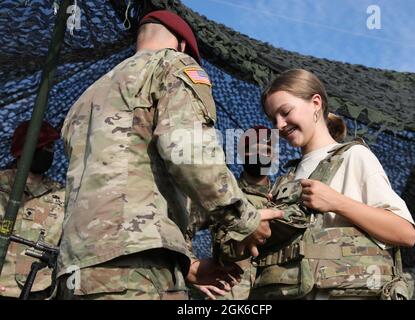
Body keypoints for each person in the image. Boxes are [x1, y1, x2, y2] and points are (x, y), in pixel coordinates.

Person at [55, 10, 282, 300]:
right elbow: (189, 153)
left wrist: (186, 264)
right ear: (184, 45)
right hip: (137, 268)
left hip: (75, 267)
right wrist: (246, 219)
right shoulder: (172, 64)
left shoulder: (85, 98)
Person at [245, 68, 415, 300]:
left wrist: (337, 202)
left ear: (316, 103)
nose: (279, 125)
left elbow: (405, 233)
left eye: (285, 112)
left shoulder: (354, 156)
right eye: (272, 118)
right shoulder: (286, 180)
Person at [188, 125, 273, 300]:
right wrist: (190, 268)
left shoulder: (283, 197)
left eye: (265, 149)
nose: (259, 155)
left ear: (274, 154)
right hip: (228, 294)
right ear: (242, 154)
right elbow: (180, 228)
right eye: (251, 149)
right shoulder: (222, 197)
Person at [0, 121, 65, 299]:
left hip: (37, 289)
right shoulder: (3, 184)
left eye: (51, 147)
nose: (48, 152)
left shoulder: (60, 194)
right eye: (44, 146)